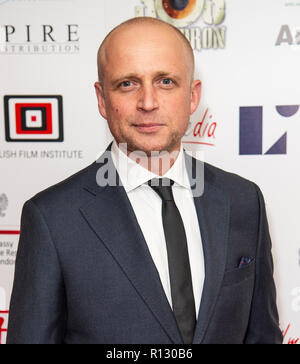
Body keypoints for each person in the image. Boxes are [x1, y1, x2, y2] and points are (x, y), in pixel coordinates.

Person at [7, 17, 283, 344]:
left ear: (193, 96)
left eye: (166, 81)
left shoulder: (243, 200)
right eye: (127, 83)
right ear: (101, 99)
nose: (148, 102)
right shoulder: (53, 218)